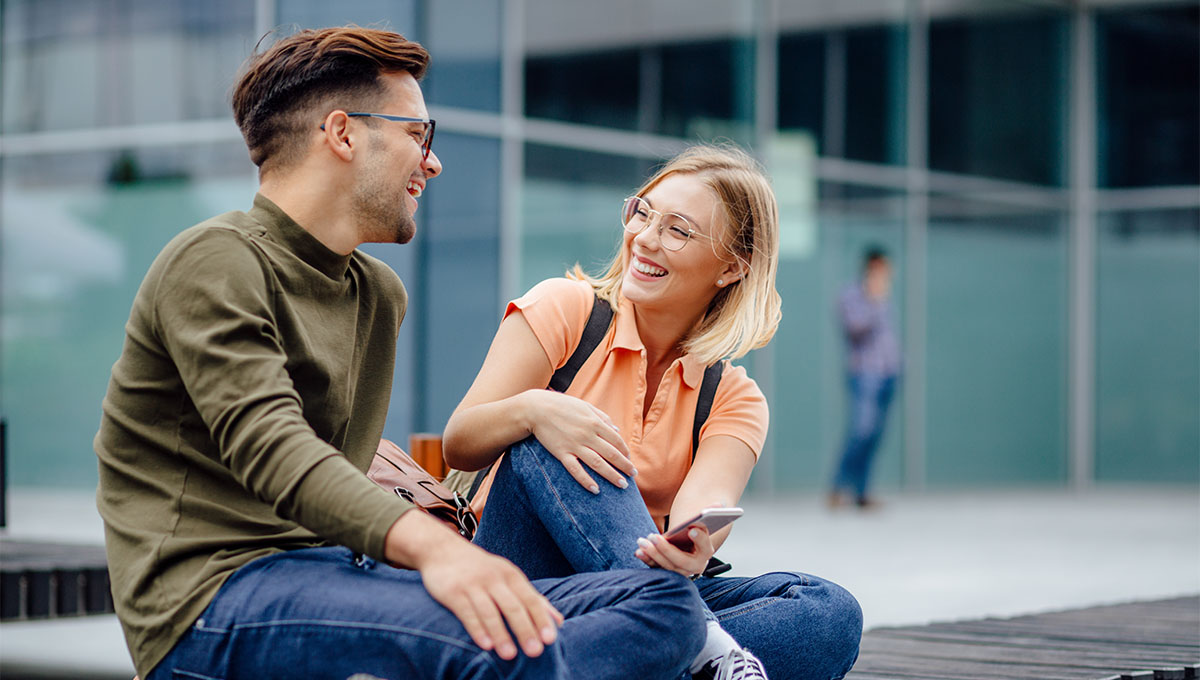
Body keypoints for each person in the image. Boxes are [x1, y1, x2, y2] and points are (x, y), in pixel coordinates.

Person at [95, 26, 707, 680]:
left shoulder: (375, 294)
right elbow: (273, 451)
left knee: (669, 605)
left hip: (344, 575)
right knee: (515, 646)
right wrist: (438, 554)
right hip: (213, 599)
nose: (433, 161)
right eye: (420, 135)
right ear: (342, 133)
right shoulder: (216, 260)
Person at [442, 146, 863, 680]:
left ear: (731, 268)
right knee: (553, 435)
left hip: (630, 600)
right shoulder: (563, 309)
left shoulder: (735, 397)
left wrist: (693, 546)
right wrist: (536, 409)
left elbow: (706, 506)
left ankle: (648, 650)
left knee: (828, 610)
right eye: (642, 212)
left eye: (678, 230)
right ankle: (696, 644)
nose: (643, 237)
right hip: (517, 582)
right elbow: (458, 441)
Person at [829, 245, 901, 509]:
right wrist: (873, 300)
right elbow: (855, 330)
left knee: (875, 436)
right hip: (864, 374)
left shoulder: (884, 297)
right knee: (861, 430)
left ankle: (862, 492)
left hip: (888, 373)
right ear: (872, 267)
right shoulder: (852, 295)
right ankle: (837, 487)